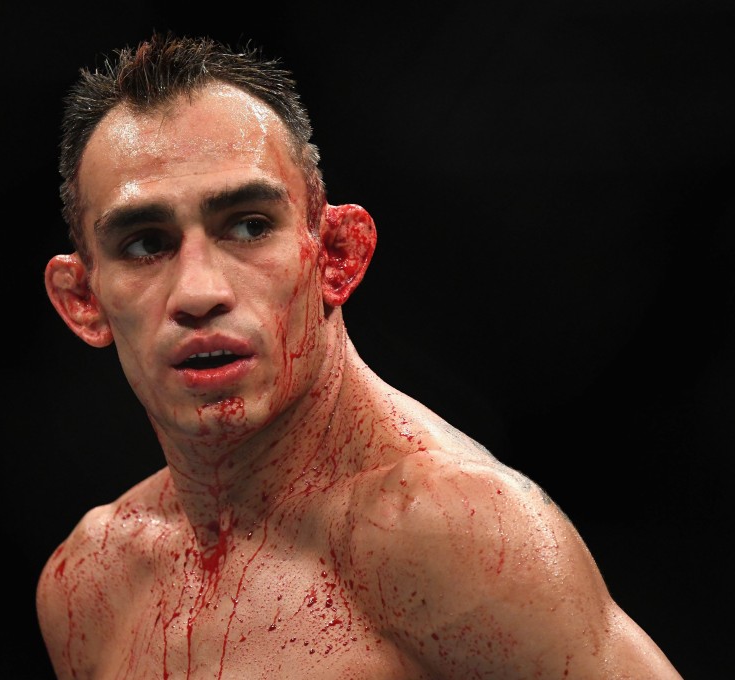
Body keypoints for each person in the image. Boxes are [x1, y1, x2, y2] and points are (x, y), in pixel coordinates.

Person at [36, 30, 683, 679]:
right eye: (146, 244)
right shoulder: (92, 583)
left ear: (338, 257)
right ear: (83, 301)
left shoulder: (452, 534)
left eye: (249, 226)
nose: (200, 292)